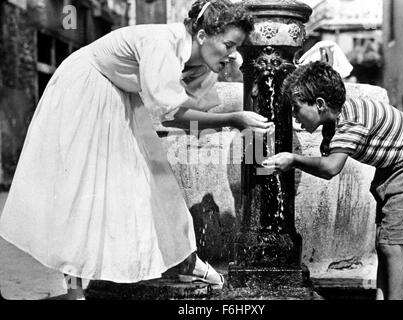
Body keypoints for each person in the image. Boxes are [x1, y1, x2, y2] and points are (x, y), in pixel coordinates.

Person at [0, 0, 273, 300]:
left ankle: (186, 261)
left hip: (117, 94)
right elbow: (173, 115)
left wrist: (220, 123)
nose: (232, 55)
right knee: (85, 189)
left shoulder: (195, 58)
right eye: (229, 45)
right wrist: (234, 120)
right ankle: (74, 290)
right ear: (202, 35)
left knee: (155, 182)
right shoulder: (161, 45)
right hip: (87, 87)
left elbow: (185, 113)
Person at [262, 61, 403, 300]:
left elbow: (331, 168)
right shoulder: (334, 121)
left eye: (296, 108)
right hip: (392, 167)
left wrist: (293, 159)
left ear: (320, 104)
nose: (294, 116)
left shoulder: (350, 121)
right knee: (383, 242)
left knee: (391, 244)